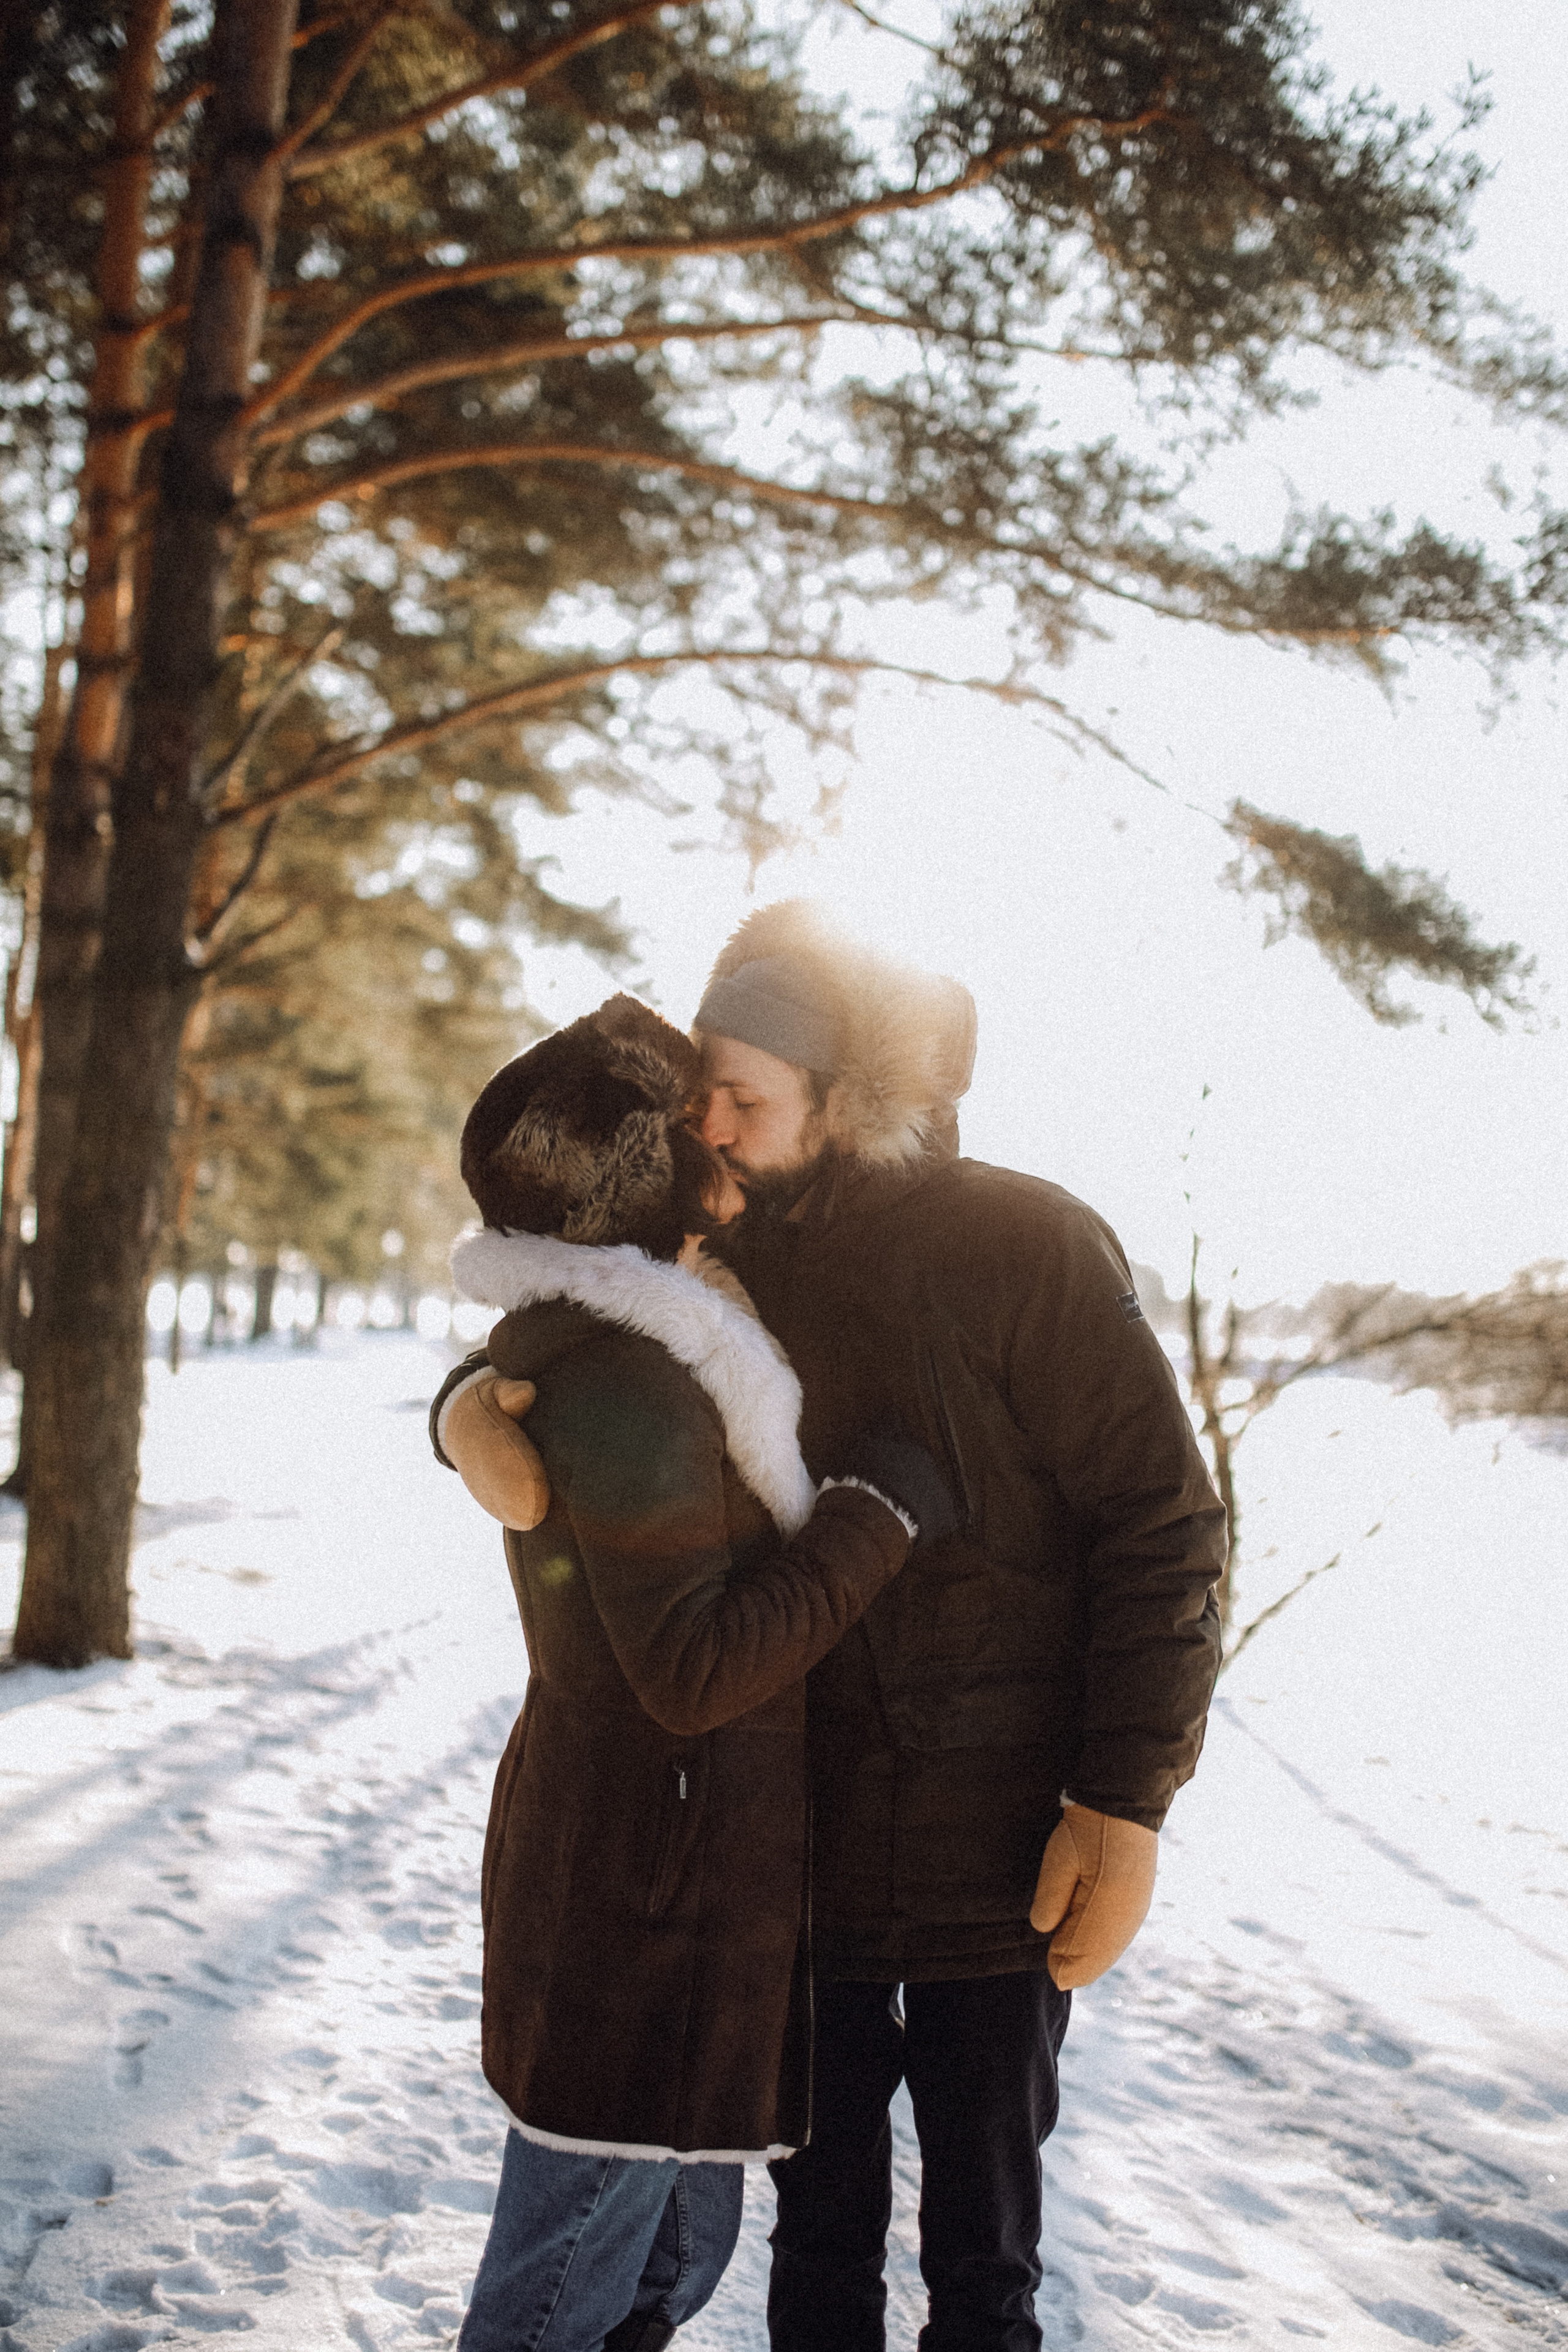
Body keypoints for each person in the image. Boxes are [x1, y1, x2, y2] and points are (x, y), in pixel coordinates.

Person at [438, 913, 1227, 2352]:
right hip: (803, 1854)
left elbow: (1162, 1523)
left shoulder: (1024, 1241)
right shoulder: (730, 1256)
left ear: (840, 1095)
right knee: (815, 2253)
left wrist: (1124, 1798)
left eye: (747, 1098)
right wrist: (461, 1415)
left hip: (1004, 1858)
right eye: (699, 1104)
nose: (716, 1132)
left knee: (983, 2258)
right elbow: (580, 1306)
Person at [437, 991, 953, 2352]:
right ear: (639, 1173)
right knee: (561, 2297)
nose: (716, 1140)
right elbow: (689, 1665)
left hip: (675, 1894)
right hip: (641, 1913)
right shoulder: (628, 1377)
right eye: (685, 1126)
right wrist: (870, 1520)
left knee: (669, 2260)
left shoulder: (652, 1335)